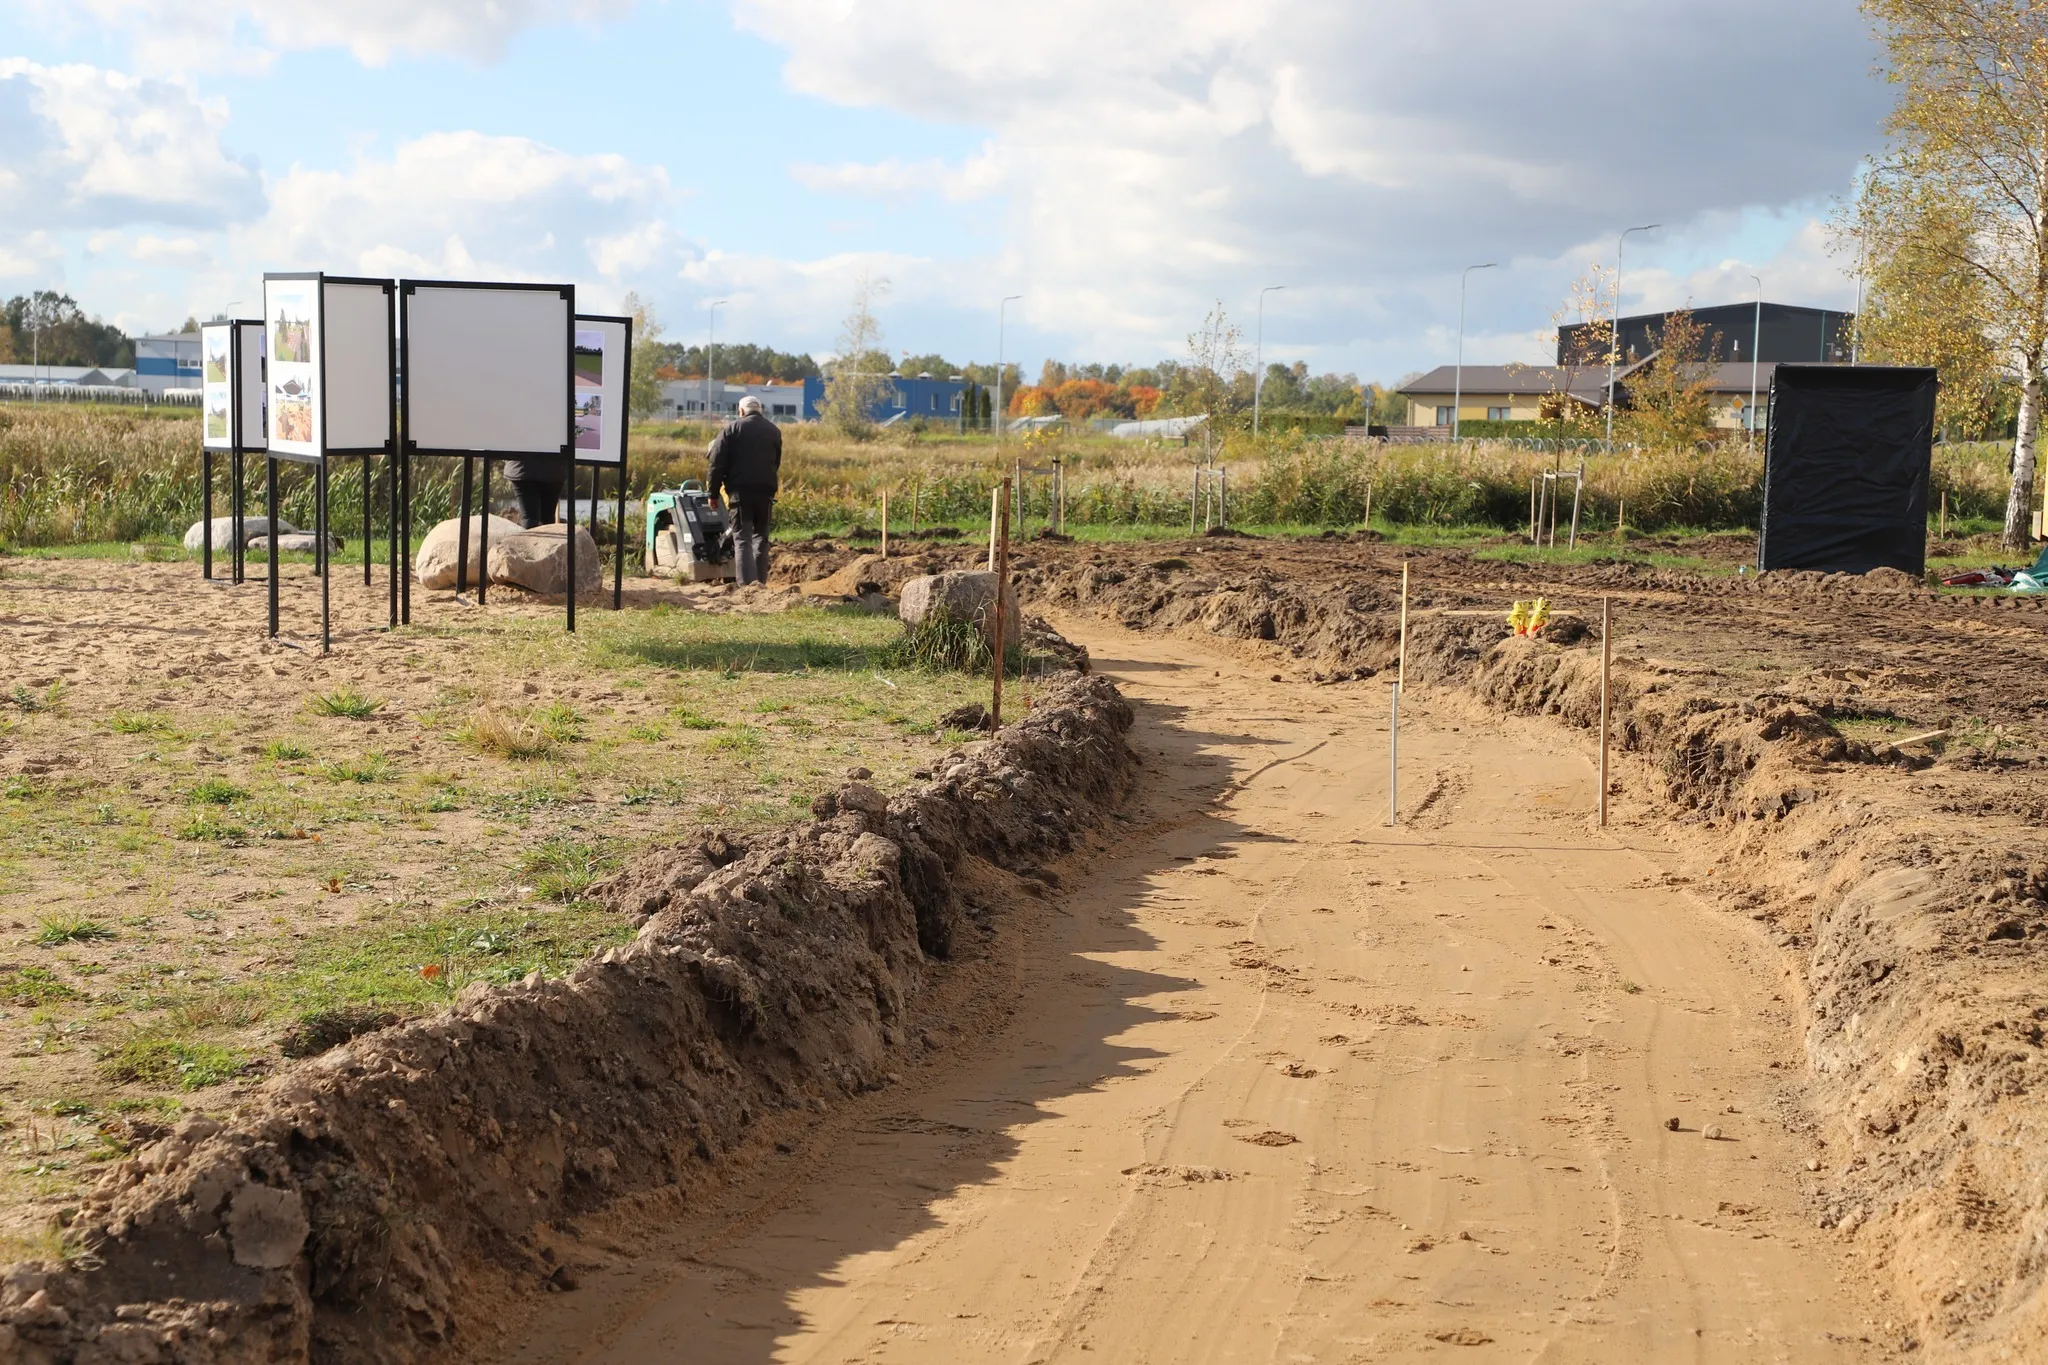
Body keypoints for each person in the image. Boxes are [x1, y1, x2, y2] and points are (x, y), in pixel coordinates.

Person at [706, 395, 783, 585]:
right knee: (761, 538)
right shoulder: (774, 431)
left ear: (741, 411)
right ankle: (760, 584)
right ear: (760, 410)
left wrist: (713, 494)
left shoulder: (731, 429)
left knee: (743, 539)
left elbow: (716, 464)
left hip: (740, 493)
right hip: (766, 493)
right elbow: (776, 462)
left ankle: (747, 587)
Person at [500, 451, 567, 529]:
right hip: (554, 466)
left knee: (529, 518)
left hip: (522, 465)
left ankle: (531, 537)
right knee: (547, 518)